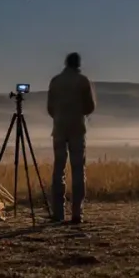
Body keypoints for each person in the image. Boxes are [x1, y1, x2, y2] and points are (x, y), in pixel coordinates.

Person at [45, 51, 96, 224]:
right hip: (77, 128)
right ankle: (76, 213)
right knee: (77, 170)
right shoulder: (82, 81)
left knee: (58, 169)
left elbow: (50, 108)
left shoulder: (55, 81)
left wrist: (60, 116)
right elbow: (90, 107)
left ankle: (58, 213)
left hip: (59, 128)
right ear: (78, 64)